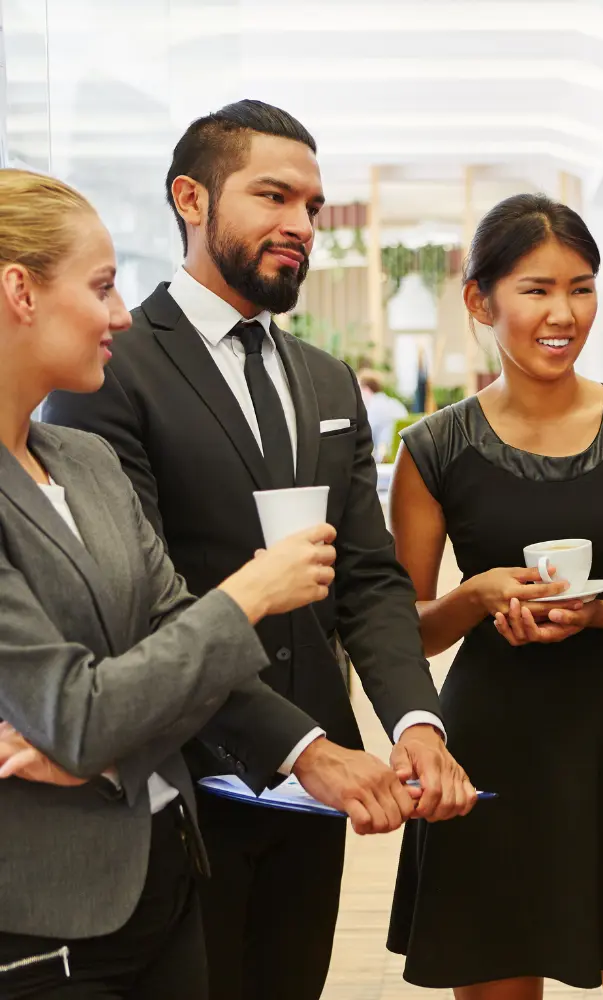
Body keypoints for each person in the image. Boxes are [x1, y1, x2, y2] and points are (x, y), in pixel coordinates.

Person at [43, 100, 475, 1000]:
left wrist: (416, 723)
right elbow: (137, 605)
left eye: (313, 207)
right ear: (190, 199)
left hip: (321, 796)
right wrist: (300, 746)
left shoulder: (325, 380)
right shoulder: (106, 370)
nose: (300, 226)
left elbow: (367, 577)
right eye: (273, 196)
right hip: (188, 778)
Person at [0, 169, 338, 998]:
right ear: (21, 292)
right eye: (102, 287)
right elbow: (82, 714)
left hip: (166, 872)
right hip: (48, 923)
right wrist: (251, 594)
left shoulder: (85, 460)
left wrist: (106, 733)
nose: (120, 313)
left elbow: (168, 642)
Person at [386, 193, 603, 999]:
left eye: (581, 287)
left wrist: (600, 613)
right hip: (490, 745)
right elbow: (404, 632)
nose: (563, 312)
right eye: (537, 289)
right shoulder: (433, 448)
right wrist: (474, 598)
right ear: (481, 299)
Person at [358, 368, 408, 461]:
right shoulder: (396, 404)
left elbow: (363, 440)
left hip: (384, 460)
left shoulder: (371, 408)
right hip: (404, 459)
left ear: (366, 389)